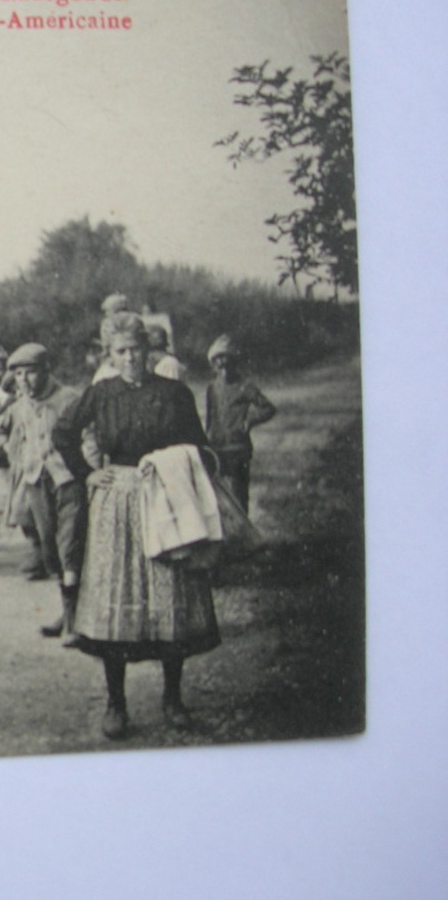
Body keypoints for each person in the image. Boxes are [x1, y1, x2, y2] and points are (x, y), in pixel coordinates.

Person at [53, 312, 220, 740]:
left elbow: (198, 445)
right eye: (121, 352)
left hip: (165, 497)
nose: (130, 359)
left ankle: (173, 699)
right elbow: (63, 431)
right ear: (110, 355)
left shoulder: (175, 392)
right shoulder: (101, 393)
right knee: (116, 599)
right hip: (119, 500)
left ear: (150, 351)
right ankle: (116, 704)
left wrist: (173, 466)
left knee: (171, 597)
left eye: (137, 350)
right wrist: (86, 472)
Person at [0, 344, 85, 633]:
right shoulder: (20, 405)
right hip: (36, 482)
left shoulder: (69, 399)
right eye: (18, 375)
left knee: (70, 546)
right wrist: (14, 452)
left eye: (30, 373)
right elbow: (0, 428)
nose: (24, 380)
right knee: (50, 550)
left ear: (46, 371)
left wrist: (89, 470)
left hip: (68, 481)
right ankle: (68, 612)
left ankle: (74, 621)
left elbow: (91, 436)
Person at [204, 335, 277, 514]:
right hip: (217, 448)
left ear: (235, 362)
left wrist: (249, 421)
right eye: (219, 365)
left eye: (228, 364)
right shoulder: (211, 388)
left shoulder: (245, 386)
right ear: (214, 366)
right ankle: (226, 536)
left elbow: (268, 408)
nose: (224, 370)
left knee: (239, 494)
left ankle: (243, 536)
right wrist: (206, 442)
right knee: (218, 495)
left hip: (238, 448)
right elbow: (210, 418)